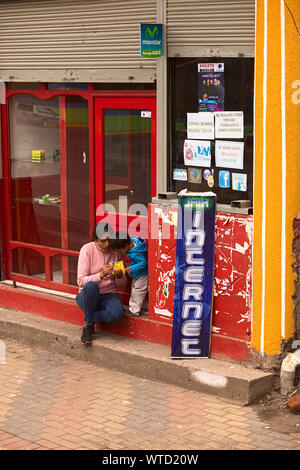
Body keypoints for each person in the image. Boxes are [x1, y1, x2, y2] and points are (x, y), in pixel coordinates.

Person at [76, 222, 126, 345]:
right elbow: (81, 281)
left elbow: (121, 284)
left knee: (116, 315)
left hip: (109, 294)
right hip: (87, 295)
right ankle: (88, 326)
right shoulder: (87, 249)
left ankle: (90, 317)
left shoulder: (116, 252)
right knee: (91, 286)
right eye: (103, 241)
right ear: (95, 239)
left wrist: (119, 275)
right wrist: (101, 275)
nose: (107, 244)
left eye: (109, 240)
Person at [110, 232, 148, 317]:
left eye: (120, 251)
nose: (120, 253)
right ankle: (143, 307)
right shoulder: (129, 244)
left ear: (128, 244)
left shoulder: (137, 252)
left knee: (137, 290)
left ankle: (134, 310)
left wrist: (131, 268)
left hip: (142, 275)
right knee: (137, 290)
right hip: (136, 275)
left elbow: (143, 263)